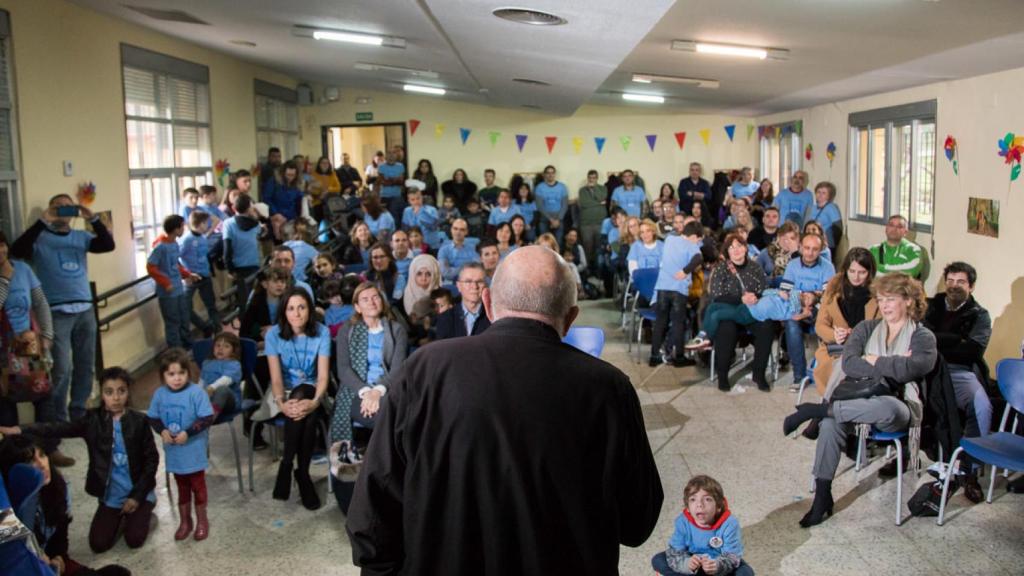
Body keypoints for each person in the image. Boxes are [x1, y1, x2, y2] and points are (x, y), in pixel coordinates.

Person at [346, 246, 663, 575]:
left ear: (488, 303)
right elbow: (638, 523)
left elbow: (371, 510)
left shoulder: (424, 370)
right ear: (570, 318)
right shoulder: (610, 389)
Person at [784, 273, 937, 527]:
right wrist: (893, 364)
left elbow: (914, 369)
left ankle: (819, 410)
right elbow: (850, 364)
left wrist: (874, 360)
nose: (884, 306)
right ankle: (822, 495)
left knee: (887, 407)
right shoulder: (867, 328)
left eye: (891, 299)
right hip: (858, 401)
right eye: (881, 299)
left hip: (897, 406)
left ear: (909, 301)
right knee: (832, 425)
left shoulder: (922, 337)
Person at [1, 366, 158, 554]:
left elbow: (151, 462)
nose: (116, 398)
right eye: (109, 392)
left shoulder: (139, 421)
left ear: (128, 391)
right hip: (111, 497)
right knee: (98, 544)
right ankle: (123, 519)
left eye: (121, 391)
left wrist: (137, 497)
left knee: (134, 540)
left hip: (138, 493)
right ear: (102, 394)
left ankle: (145, 514)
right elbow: (57, 428)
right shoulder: (92, 420)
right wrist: (20, 429)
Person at [11, 195, 115, 427]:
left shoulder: (81, 236)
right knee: (61, 369)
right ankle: (59, 420)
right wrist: (42, 220)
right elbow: (17, 250)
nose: (62, 211)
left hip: (85, 309)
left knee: (86, 364)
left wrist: (92, 217)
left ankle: (78, 412)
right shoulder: (40, 238)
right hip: (56, 312)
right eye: (57, 207)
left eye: (67, 206)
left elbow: (108, 245)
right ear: (50, 210)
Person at [0, 435, 132, 575]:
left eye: (43, 455)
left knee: (118, 573)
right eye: (30, 461)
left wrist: (57, 559)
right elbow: (13, 559)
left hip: (49, 564)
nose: (42, 464)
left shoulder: (58, 487)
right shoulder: (5, 508)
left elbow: (59, 540)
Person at [922, 261, 992, 503]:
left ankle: (970, 472)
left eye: (960, 282)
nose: (954, 286)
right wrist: (955, 339)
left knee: (982, 404)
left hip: (959, 372)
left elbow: (971, 352)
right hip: (927, 369)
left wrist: (937, 341)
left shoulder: (980, 315)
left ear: (971, 286)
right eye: (950, 281)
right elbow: (920, 340)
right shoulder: (930, 306)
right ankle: (904, 455)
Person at [265, 288, 331, 510]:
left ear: (309, 310)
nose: (296, 313)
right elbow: (275, 379)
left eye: (301, 307)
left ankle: (287, 463)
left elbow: (322, 376)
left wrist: (315, 401)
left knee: (304, 394)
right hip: (282, 393)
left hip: (315, 389)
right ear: (284, 312)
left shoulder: (322, 332)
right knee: (307, 415)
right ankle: (302, 474)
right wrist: (281, 403)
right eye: (291, 308)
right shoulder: (273, 335)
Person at [332, 282, 408, 466]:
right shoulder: (346, 331)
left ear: (381, 301)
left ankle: (384, 465)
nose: (371, 302)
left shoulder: (397, 329)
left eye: (375, 297)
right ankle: (388, 465)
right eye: (365, 299)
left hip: (389, 389)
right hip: (355, 391)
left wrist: (378, 392)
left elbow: (398, 369)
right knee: (391, 419)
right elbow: (343, 369)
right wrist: (367, 392)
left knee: (392, 412)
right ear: (357, 307)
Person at [0, 231, 59, 463]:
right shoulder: (8, 274)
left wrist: (46, 336)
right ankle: (16, 455)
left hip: (29, 345)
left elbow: (40, 302)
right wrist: (5, 279)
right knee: (5, 401)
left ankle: (49, 450)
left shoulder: (22, 269)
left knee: (44, 394)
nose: (1, 251)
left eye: (2, 245)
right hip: (2, 352)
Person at [148, 348, 215, 541]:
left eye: (181, 373)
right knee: (182, 486)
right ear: (163, 376)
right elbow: (153, 418)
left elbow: (207, 417)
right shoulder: (160, 394)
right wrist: (162, 430)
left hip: (193, 451)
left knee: (198, 485)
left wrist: (189, 432)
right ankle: (185, 521)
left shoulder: (196, 393)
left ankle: (202, 520)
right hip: (174, 453)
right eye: (171, 374)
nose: (177, 378)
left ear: (188, 372)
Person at [706, 234, 774, 391]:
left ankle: (759, 373)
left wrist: (754, 297)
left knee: (767, 326)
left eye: (739, 246)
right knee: (726, 329)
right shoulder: (721, 268)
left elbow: (763, 289)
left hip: (751, 310)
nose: (736, 250)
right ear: (727, 252)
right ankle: (722, 375)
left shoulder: (755, 267)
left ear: (745, 248)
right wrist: (741, 299)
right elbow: (717, 295)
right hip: (729, 310)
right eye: (731, 247)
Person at [652, 475, 753, 576]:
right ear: (687, 507)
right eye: (693, 499)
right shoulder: (683, 522)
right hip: (692, 560)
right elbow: (675, 551)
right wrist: (687, 564)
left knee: (745, 572)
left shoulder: (729, 524)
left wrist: (717, 566)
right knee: (658, 560)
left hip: (719, 562)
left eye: (707, 499)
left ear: (718, 506)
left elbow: (732, 556)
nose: (699, 504)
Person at [812, 248, 879, 398]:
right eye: (852, 271)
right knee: (838, 368)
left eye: (862, 272)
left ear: (870, 273)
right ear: (845, 270)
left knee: (850, 369)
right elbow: (820, 325)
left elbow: (879, 329)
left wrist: (857, 335)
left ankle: (831, 408)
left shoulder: (877, 294)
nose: (856, 277)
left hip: (864, 350)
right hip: (835, 349)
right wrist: (834, 334)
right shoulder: (834, 287)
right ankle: (831, 406)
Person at [782, 233, 836, 390]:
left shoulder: (827, 267)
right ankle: (799, 376)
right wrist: (801, 299)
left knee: (825, 321)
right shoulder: (792, 265)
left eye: (815, 249)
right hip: (796, 307)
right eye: (806, 248)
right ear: (800, 247)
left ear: (820, 250)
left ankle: (823, 372)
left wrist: (813, 296)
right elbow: (785, 291)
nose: (810, 252)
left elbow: (829, 295)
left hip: (819, 309)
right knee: (791, 323)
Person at [649, 221, 704, 367]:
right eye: (698, 239)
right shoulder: (692, 245)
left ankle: (654, 356)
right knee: (678, 323)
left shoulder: (670, 239)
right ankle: (679, 357)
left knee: (660, 322)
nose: (699, 242)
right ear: (693, 236)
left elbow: (667, 230)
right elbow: (699, 258)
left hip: (662, 287)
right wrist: (685, 271)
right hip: (679, 289)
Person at [148, 215, 199, 350]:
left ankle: (188, 345)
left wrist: (188, 274)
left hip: (178, 289)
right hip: (168, 293)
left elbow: (176, 265)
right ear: (176, 229)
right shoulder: (160, 247)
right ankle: (176, 350)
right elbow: (151, 267)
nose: (184, 229)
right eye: (182, 226)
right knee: (173, 322)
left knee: (184, 317)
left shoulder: (174, 244)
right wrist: (166, 283)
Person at [178, 211, 220, 337]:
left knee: (211, 304)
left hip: (205, 276)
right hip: (191, 278)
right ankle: (204, 327)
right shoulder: (186, 239)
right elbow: (176, 257)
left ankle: (217, 329)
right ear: (198, 224)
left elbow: (205, 256)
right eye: (205, 223)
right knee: (185, 307)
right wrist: (185, 275)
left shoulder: (202, 238)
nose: (207, 225)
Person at [223, 193, 263, 308]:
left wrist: (229, 269)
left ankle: (243, 323)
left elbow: (227, 248)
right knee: (254, 297)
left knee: (242, 300)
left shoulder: (228, 224)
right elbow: (261, 235)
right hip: (254, 264)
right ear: (250, 208)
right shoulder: (256, 225)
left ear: (234, 208)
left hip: (237, 268)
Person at [434, 263, 490, 340]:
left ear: (486, 285)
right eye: (468, 282)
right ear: (459, 286)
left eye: (479, 281)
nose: (474, 286)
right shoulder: (445, 318)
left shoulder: (494, 317)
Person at [199, 332, 243, 418]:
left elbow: (227, 379)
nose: (220, 349)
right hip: (207, 400)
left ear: (233, 350)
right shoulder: (207, 363)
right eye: (218, 345)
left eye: (226, 346)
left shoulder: (234, 364)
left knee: (222, 390)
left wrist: (212, 388)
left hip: (229, 402)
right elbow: (201, 381)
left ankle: (207, 420)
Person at [402, 254, 442, 343]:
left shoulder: (443, 296)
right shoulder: (402, 299)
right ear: (413, 275)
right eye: (419, 274)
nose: (423, 278)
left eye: (428, 274)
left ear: (435, 275)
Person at [868, 214, 924, 278]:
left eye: (899, 226)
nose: (894, 229)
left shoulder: (913, 249)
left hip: (902, 287)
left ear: (905, 232)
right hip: (877, 287)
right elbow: (866, 272)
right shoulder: (873, 249)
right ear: (886, 229)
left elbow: (912, 271)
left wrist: (882, 267)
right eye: (891, 225)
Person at [263, 160, 304, 241]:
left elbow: (298, 200)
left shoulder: (297, 183)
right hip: (277, 215)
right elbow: (266, 198)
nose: (290, 178)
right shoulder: (274, 181)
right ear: (283, 173)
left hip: (292, 217)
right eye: (288, 175)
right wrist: (275, 213)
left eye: (293, 175)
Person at [577, 169, 608, 266]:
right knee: (587, 247)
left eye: (594, 178)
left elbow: (601, 197)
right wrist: (599, 204)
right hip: (586, 224)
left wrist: (595, 189)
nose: (592, 180)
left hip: (600, 223)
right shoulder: (582, 190)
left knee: (599, 247)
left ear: (597, 179)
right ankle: (588, 269)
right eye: (590, 178)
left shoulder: (603, 188)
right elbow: (584, 204)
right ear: (587, 178)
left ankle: (598, 269)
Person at [756, 221, 800, 287]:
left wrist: (795, 254)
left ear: (797, 240)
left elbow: (803, 276)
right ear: (778, 237)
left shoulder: (801, 256)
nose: (787, 241)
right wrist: (773, 281)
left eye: (792, 238)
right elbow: (756, 275)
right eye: (784, 237)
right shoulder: (765, 252)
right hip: (769, 291)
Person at [803, 181, 842, 253]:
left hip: (825, 244)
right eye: (818, 192)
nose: (820, 195)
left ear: (829, 195)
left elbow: (838, 229)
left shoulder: (831, 208)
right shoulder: (811, 208)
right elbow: (805, 226)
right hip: (810, 240)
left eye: (824, 193)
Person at [437, 218, 480, 283]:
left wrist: (452, 269)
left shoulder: (474, 248)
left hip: (470, 282)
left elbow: (476, 269)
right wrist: (466, 266)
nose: (458, 232)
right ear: (451, 230)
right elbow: (446, 273)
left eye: (462, 230)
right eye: (455, 228)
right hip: (450, 284)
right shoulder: (443, 250)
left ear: (466, 232)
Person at [534, 165, 569, 243]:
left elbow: (565, 205)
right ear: (545, 174)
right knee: (544, 243)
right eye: (548, 173)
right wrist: (551, 219)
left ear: (555, 174)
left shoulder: (562, 187)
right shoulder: (539, 187)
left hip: (559, 219)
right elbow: (539, 206)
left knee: (558, 243)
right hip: (544, 219)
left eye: (552, 173)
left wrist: (558, 219)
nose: (550, 175)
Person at [376, 151, 406, 225]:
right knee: (385, 217)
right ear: (385, 157)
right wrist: (395, 180)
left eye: (393, 156)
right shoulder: (381, 167)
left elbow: (401, 182)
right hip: (384, 196)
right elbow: (382, 182)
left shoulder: (400, 166)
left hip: (397, 196)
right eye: (389, 156)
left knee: (395, 215)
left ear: (396, 157)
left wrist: (389, 180)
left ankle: (396, 232)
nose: (391, 158)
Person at [309, 156, 341, 222]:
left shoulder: (333, 174)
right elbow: (311, 189)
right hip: (317, 202)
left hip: (330, 201)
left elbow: (338, 188)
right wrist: (320, 193)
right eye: (323, 163)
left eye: (327, 163)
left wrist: (328, 190)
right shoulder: (313, 174)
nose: (325, 165)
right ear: (319, 164)